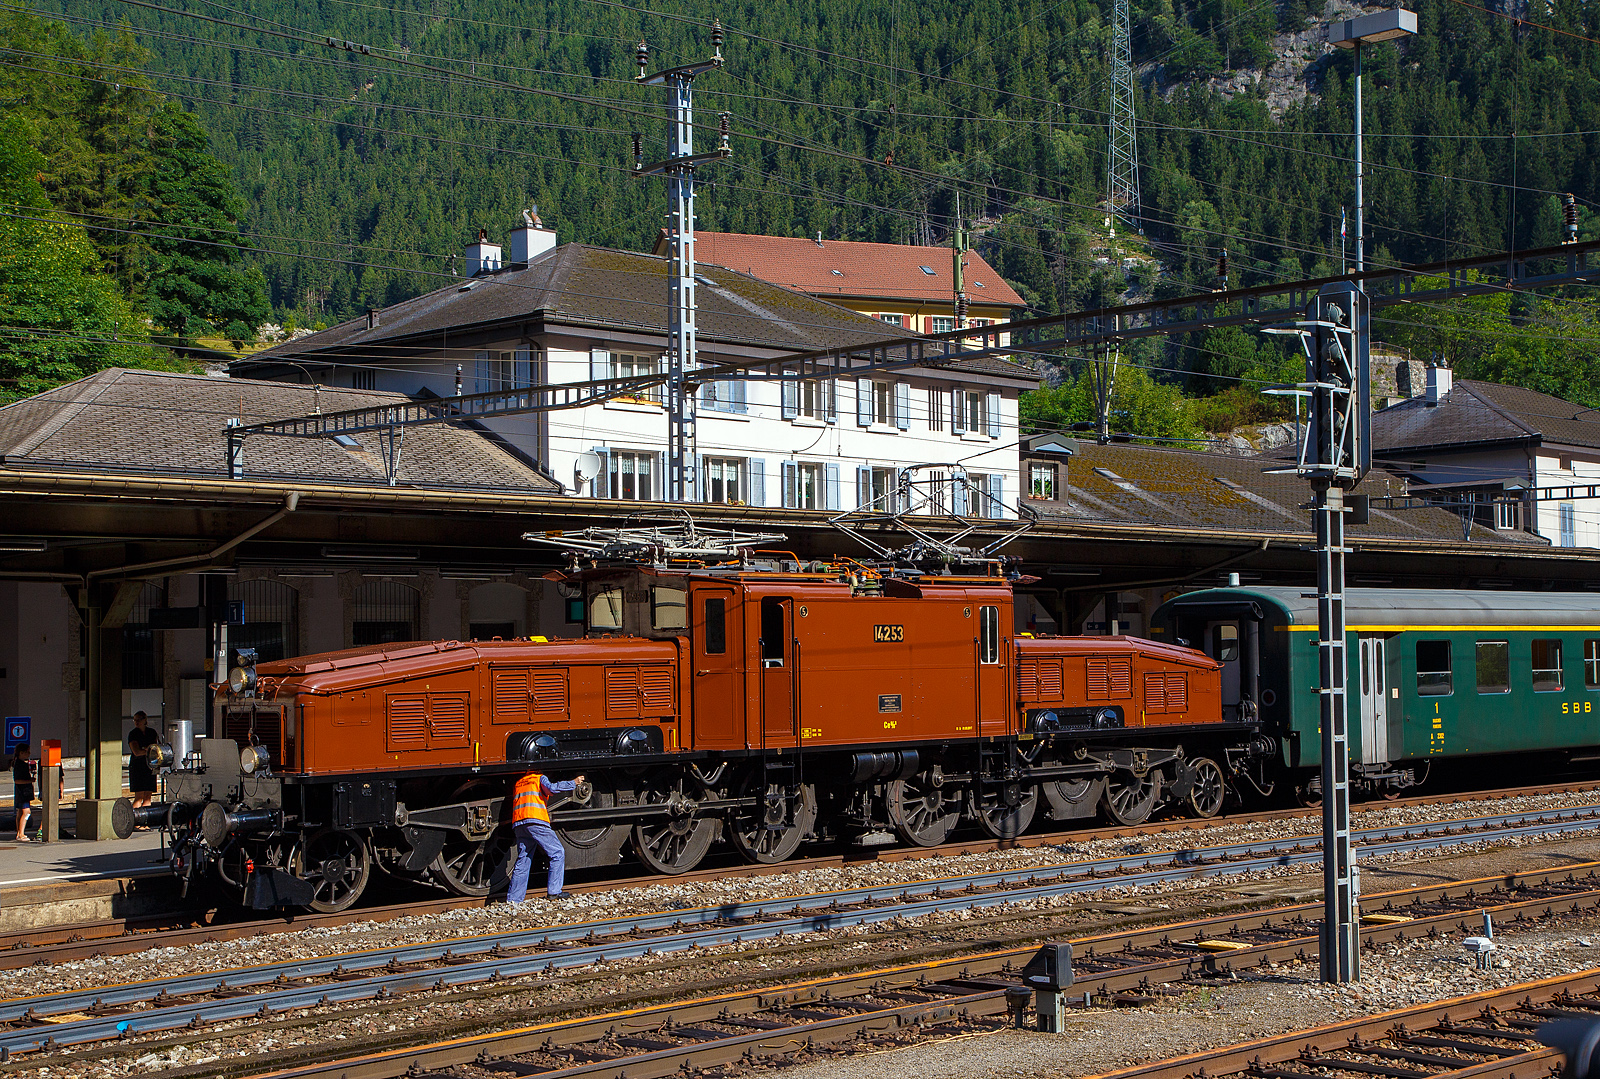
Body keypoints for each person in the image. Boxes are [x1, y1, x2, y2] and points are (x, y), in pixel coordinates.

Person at [506, 769, 583, 903]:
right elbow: (551, 789)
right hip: (535, 820)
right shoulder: (539, 778)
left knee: (523, 859)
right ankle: (554, 891)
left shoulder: (519, 782)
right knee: (557, 852)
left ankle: (514, 899)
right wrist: (573, 783)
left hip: (519, 823)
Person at [127, 712, 159, 813]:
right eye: (135, 720)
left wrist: (146, 750)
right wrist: (148, 750)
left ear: (145, 719)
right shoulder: (133, 734)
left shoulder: (152, 732)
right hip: (137, 766)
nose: (137, 722)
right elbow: (137, 752)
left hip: (149, 765)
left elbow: (155, 748)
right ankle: (135, 818)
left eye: (139, 719)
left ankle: (146, 818)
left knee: (148, 796)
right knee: (139, 796)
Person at [11, 743, 34, 842]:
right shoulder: (20, 765)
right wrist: (29, 781)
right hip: (23, 792)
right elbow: (17, 780)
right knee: (27, 812)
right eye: (27, 752)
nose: (29, 754)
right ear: (21, 753)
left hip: (21, 792)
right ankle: (21, 834)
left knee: (20, 812)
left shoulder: (19, 763)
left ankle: (19, 832)